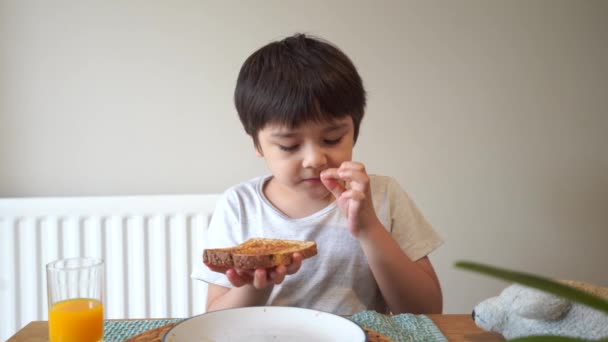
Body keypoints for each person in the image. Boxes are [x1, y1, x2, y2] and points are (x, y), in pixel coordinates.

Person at [191, 33, 444, 315]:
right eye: (289, 145)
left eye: (333, 139)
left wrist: (369, 228)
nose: (314, 159)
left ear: (354, 131)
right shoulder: (239, 205)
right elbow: (215, 320)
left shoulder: (383, 195)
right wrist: (256, 284)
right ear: (257, 143)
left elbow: (428, 310)